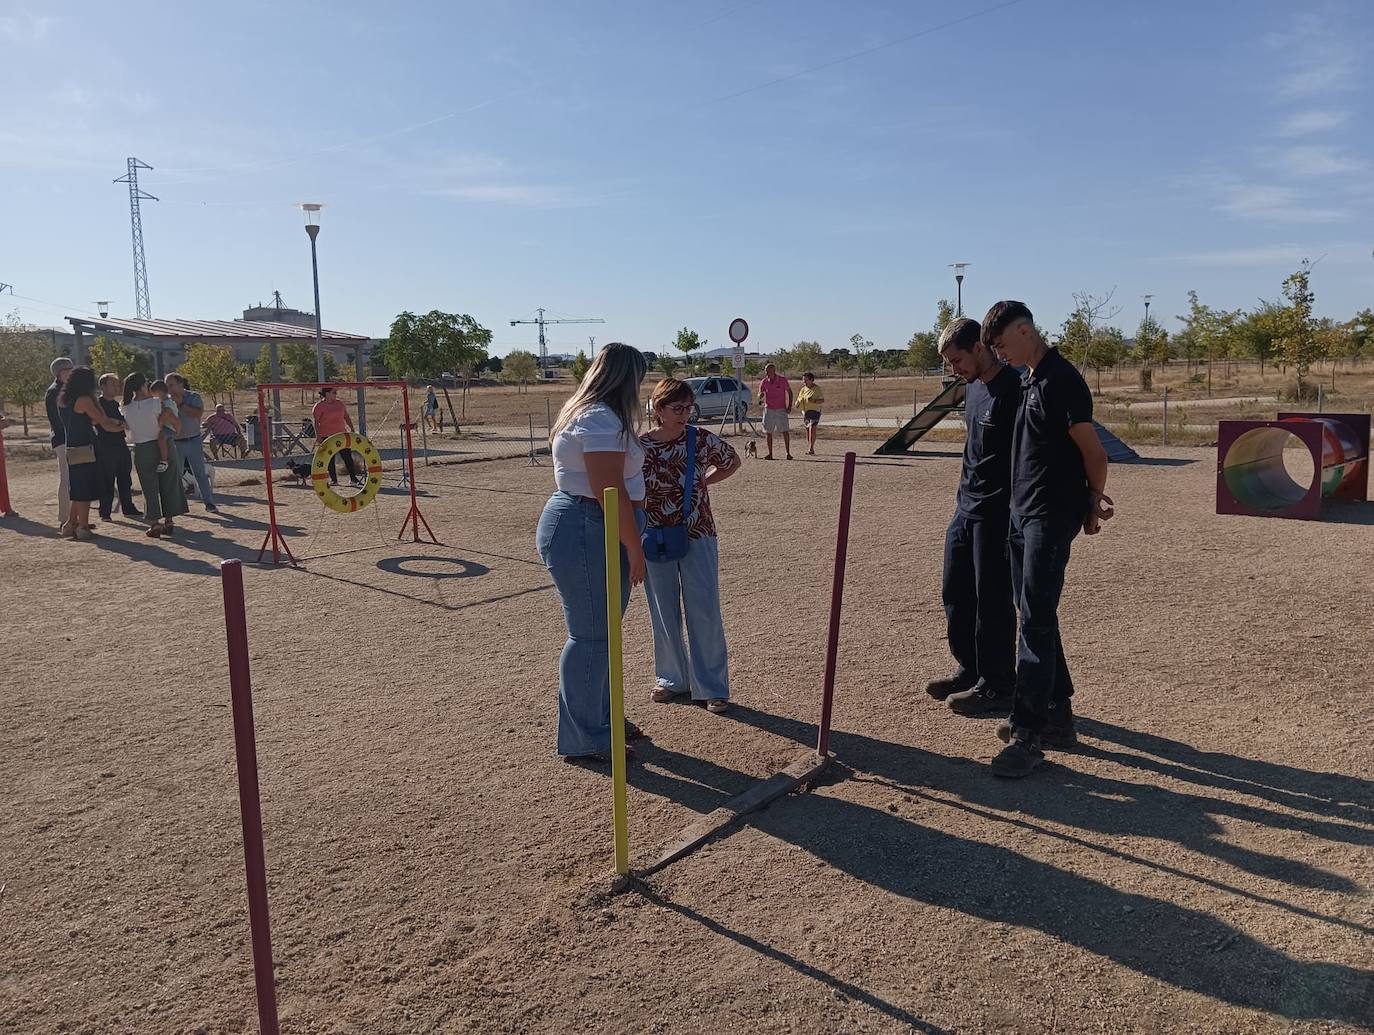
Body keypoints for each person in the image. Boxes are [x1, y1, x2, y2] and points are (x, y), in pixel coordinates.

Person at [982, 301, 1115, 778]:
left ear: (1025, 330)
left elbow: (1095, 453)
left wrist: (1093, 502)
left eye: (1001, 343)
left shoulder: (1062, 380)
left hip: (1049, 517)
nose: (998, 352)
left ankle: (1028, 733)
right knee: (1034, 615)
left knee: (1034, 622)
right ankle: (1058, 716)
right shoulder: (1028, 379)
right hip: (1021, 514)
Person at [535, 343, 649, 763]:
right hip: (589, 525)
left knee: (603, 635)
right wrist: (634, 546)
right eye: (638, 377)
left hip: (595, 525)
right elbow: (609, 491)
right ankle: (586, 736)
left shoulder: (595, 414)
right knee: (592, 636)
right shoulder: (599, 417)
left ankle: (600, 717)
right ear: (625, 378)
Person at [926, 318, 1020, 718]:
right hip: (966, 507)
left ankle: (999, 685)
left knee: (993, 600)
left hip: (999, 513)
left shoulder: (1014, 390)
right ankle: (970, 668)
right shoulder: (974, 388)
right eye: (949, 362)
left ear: (980, 348)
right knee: (956, 591)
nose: (954, 369)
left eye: (957, 359)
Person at [640, 377, 742, 714]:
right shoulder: (639, 447)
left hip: (698, 532)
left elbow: (731, 461)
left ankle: (712, 686)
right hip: (654, 535)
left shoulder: (700, 440)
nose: (685, 413)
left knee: (704, 609)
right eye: (677, 408)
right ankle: (672, 679)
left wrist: (704, 481)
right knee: (663, 611)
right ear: (658, 409)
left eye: (689, 407)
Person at [57, 367, 127, 541]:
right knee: (85, 489)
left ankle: (70, 524)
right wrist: (120, 423)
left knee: (78, 486)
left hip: (72, 445)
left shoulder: (63, 399)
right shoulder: (84, 400)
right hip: (85, 445)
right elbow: (102, 420)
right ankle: (83, 526)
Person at [122, 373, 187, 538]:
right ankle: (169, 520)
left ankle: (154, 522)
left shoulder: (125, 406)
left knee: (149, 487)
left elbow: (127, 425)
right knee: (169, 482)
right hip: (162, 443)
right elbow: (170, 420)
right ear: (143, 386)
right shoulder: (155, 403)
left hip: (142, 448)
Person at [166, 373, 218, 511]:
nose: (169, 388)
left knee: (199, 473)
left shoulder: (193, 397)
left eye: (171, 385)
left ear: (180, 384)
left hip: (193, 440)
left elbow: (197, 413)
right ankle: (176, 504)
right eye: (167, 385)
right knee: (175, 475)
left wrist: (181, 404)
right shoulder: (166, 401)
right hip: (175, 442)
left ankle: (209, 502)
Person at [96, 373, 141, 521]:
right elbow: (105, 425)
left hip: (121, 445)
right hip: (105, 446)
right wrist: (116, 425)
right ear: (103, 386)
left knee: (125, 479)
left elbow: (125, 425)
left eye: (117, 384)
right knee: (107, 480)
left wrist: (116, 423)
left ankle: (128, 508)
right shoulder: (98, 404)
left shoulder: (117, 405)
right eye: (112, 384)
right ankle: (105, 512)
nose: (116, 387)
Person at [45, 356, 74, 529]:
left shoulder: (63, 389)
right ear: (61, 372)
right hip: (63, 439)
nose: (73, 370)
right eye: (70, 368)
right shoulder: (55, 391)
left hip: (67, 438)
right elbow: (59, 420)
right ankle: (65, 518)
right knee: (67, 478)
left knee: (71, 478)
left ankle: (73, 516)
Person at [311, 386, 361, 486]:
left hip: (341, 434)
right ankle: (334, 480)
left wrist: (351, 428)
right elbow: (316, 422)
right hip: (327, 435)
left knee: (347, 457)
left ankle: (353, 479)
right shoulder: (319, 406)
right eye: (334, 392)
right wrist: (318, 436)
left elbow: (346, 416)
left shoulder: (339, 403)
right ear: (327, 393)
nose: (336, 394)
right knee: (330, 458)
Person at [756, 362, 793, 460]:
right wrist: (760, 396)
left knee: (785, 431)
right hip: (769, 409)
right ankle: (770, 453)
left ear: (774, 371)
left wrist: (789, 406)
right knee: (768, 432)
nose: (767, 373)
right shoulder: (764, 381)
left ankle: (788, 453)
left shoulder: (782, 380)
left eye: (768, 371)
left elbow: (790, 392)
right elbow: (760, 392)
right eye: (766, 371)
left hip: (781, 409)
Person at [150, 380, 177, 473]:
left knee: (162, 438)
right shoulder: (167, 401)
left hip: (169, 427)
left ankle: (164, 460)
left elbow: (166, 414)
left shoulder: (167, 403)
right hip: (167, 426)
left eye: (154, 393)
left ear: (160, 392)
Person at [793, 372, 824, 456]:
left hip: (815, 411)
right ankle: (810, 446)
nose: (804, 381)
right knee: (808, 430)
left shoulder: (817, 389)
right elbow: (799, 399)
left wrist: (813, 400)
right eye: (803, 380)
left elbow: (822, 400)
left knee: (812, 428)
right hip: (805, 412)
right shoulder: (803, 389)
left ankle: (811, 448)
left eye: (805, 380)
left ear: (811, 380)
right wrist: (797, 403)